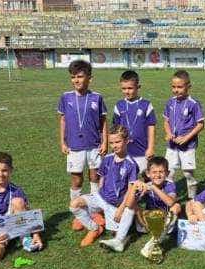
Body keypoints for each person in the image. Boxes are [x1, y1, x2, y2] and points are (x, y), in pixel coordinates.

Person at [69, 125, 139, 251]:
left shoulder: (131, 164)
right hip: (100, 197)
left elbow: (130, 190)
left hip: (115, 205)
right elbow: (102, 180)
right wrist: (98, 199)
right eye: (111, 143)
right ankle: (94, 228)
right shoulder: (107, 159)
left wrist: (121, 209)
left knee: (116, 234)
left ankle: (117, 225)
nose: (114, 145)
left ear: (127, 140)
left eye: (118, 142)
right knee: (74, 204)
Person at [57, 60, 108, 230]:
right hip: (74, 146)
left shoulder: (97, 97)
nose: (76, 80)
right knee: (77, 179)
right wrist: (62, 141)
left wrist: (105, 141)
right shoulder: (66, 97)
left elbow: (103, 122)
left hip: (94, 145)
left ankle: (95, 211)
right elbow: (63, 119)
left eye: (80, 76)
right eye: (73, 77)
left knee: (95, 176)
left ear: (89, 78)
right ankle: (78, 211)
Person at [0, 152, 43, 261]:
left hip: (14, 224)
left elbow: (28, 213)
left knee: (18, 202)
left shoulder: (16, 190)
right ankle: (4, 242)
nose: (0, 174)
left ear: (11, 171)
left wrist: (36, 235)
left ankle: (25, 237)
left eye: (4, 170)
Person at [163, 70, 205, 199]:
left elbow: (200, 124)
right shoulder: (170, 102)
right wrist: (169, 133)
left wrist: (186, 138)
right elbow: (166, 121)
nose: (176, 90)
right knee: (169, 173)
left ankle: (192, 198)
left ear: (188, 87)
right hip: (172, 145)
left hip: (188, 146)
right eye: (173, 87)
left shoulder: (194, 104)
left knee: (187, 173)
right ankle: (169, 198)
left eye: (180, 87)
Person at [132, 156, 181, 258]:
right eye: (154, 172)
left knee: (176, 206)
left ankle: (152, 244)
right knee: (134, 205)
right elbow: (132, 203)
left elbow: (170, 202)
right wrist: (137, 191)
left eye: (161, 172)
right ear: (148, 174)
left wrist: (154, 188)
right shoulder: (145, 185)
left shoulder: (169, 185)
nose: (157, 175)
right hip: (148, 221)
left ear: (167, 173)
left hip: (165, 221)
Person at [112, 70, 156, 174]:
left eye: (130, 88)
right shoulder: (119, 105)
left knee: (146, 177)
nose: (127, 91)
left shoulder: (146, 105)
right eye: (124, 88)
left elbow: (151, 127)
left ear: (138, 87)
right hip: (125, 151)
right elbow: (115, 129)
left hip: (142, 150)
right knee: (125, 177)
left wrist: (150, 147)